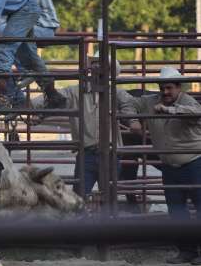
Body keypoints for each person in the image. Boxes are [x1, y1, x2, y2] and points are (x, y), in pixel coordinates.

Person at [30, 54, 135, 196]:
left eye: (101, 64)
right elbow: (51, 99)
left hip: (109, 155)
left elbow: (132, 106)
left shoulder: (117, 94)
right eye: (95, 64)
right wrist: (35, 109)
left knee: (108, 198)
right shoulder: (76, 92)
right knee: (80, 196)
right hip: (87, 154)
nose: (97, 67)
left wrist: (132, 119)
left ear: (110, 70)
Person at [129, 66, 201, 265]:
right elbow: (128, 102)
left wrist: (170, 110)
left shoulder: (187, 101)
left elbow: (196, 113)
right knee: (176, 211)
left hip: (194, 162)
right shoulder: (150, 101)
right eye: (162, 88)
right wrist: (133, 119)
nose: (165, 92)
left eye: (169, 88)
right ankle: (187, 251)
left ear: (179, 88)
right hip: (170, 165)